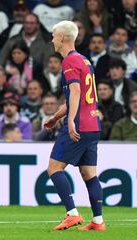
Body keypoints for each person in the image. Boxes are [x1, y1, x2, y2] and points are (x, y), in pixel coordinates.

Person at [45, 20, 105, 231]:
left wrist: (69, 120)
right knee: (90, 174)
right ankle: (97, 221)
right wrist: (56, 117)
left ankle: (72, 213)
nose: (52, 39)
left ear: (62, 37)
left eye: (53, 35)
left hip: (79, 123)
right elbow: (77, 97)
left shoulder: (69, 61)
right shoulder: (85, 60)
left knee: (54, 168)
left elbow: (77, 92)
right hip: (93, 124)